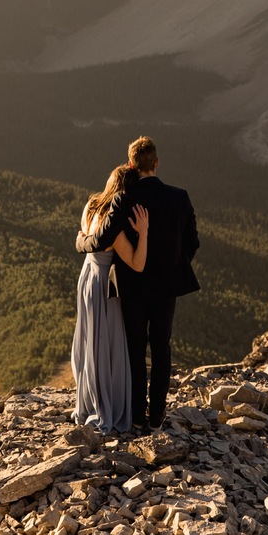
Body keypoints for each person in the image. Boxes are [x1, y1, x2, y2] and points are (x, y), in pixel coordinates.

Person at [76, 136, 199, 431]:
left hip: (132, 288)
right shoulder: (179, 197)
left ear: (132, 164)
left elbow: (102, 240)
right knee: (161, 348)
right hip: (167, 286)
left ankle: (135, 414)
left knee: (134, 350)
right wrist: (171, 264)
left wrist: (81, 243)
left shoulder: (124, 198)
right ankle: (157, 416)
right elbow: (193, 242)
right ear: (156, 162)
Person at [71, 164, 149, 434]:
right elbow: (137, 264)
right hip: (105, 285)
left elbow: (84, 238)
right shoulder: (114, 228)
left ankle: (88, 398)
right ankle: (107, 404)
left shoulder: (91, 205)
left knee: (89, 339)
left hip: (86, 278)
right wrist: (144, 232)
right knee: (108, 343)